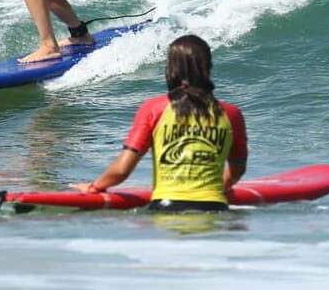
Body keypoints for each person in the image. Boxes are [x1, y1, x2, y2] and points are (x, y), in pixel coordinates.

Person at [71, 35, 248, 212]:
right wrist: (219, 189)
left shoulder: (153, 109)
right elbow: (238, 169)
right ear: (208, 67)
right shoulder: (232, 114)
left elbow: (122, 170)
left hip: (167, 208)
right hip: (215, 208)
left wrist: (94, 187)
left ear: (171, 69)